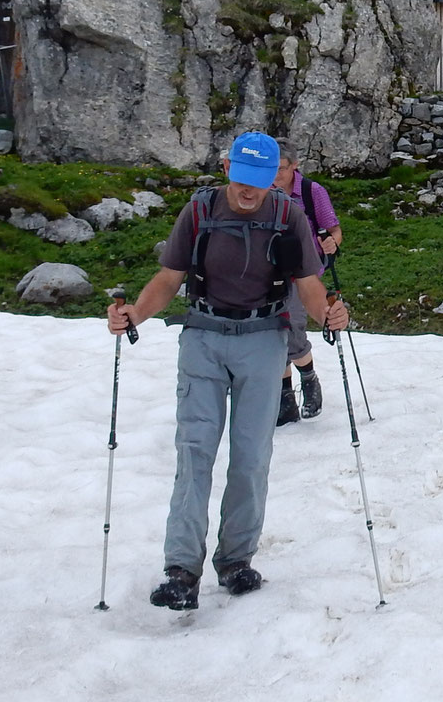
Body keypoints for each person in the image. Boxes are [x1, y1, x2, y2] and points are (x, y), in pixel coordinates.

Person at [106, 130, 350, 611]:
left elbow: (308, 284)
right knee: (194, 451)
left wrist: (330, 316)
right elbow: (169, 277)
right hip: (203, 336)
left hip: (263, 340)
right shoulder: (200, 210)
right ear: (226, 170)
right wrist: (134, 312)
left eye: (259, 179)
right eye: (241, 177)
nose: (248, 189)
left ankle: (236, 560)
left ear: (275, 176)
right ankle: (181, 569)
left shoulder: (289, 215)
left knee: (251, 456)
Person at [272, 143, 344, 425]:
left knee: (291, 328)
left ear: (294, 166)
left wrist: (332, 242)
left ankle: (308, 378)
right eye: (272, 168)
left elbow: (334, 229)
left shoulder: (313, 193)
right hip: (268, 272)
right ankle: (286, 396)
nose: (275, 174)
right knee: (273, 333)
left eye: (281, 168)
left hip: (303, 273)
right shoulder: (263, 191)